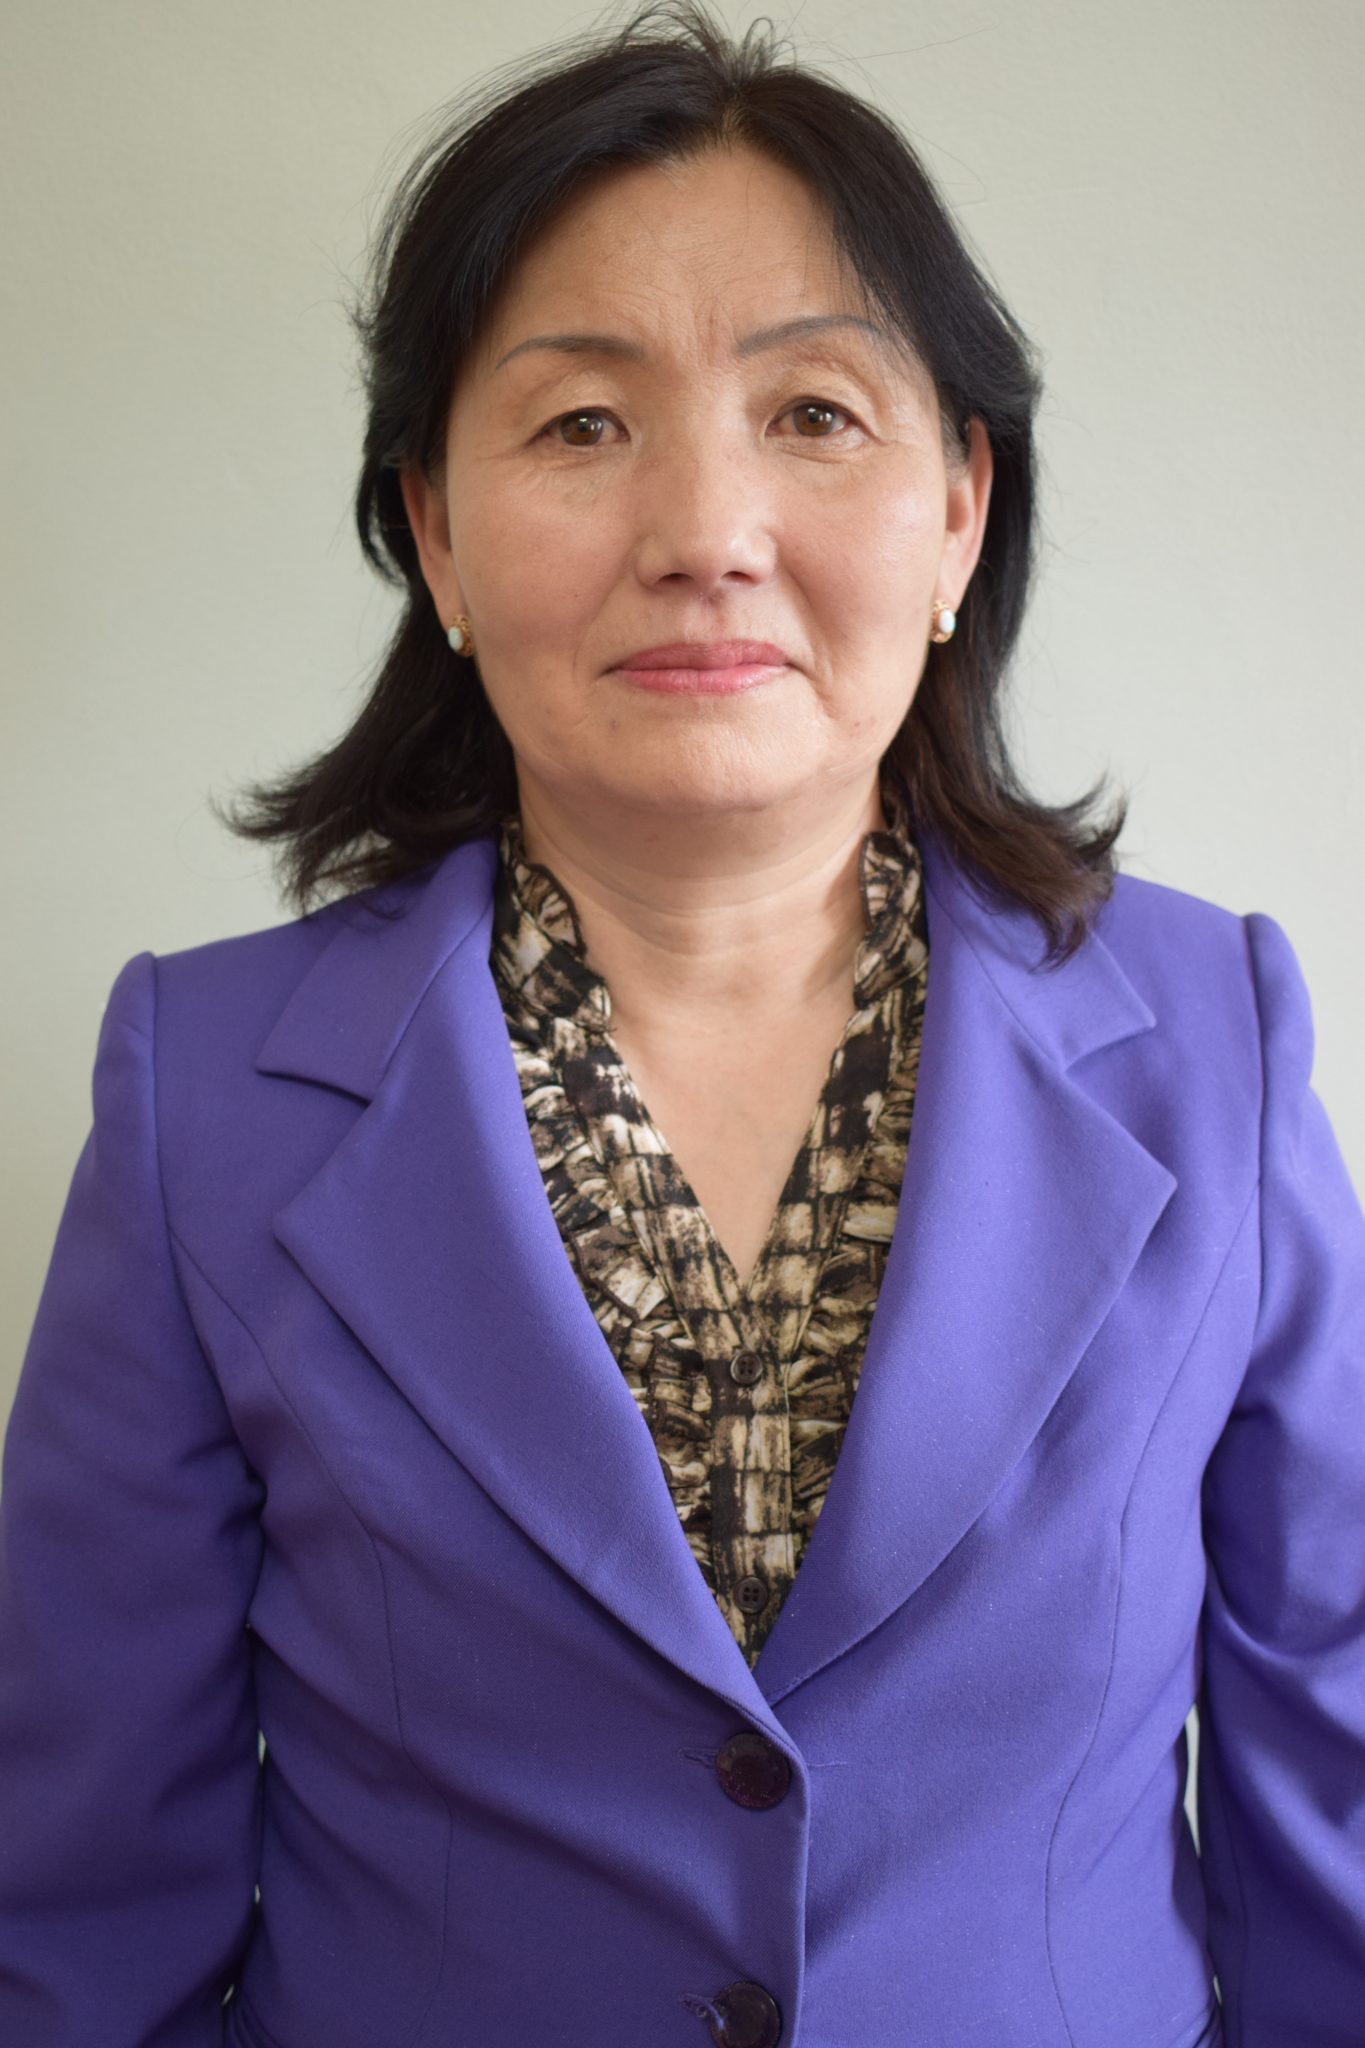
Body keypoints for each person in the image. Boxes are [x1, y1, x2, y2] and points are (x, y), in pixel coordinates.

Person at [1, 4, 1362, 2042]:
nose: (705, 533)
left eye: (812, 411)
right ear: (436, 534)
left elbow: (1334, 1805)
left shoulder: (1211, 1040)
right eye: (579, 424)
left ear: (958, 509)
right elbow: (83, 1909)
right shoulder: (206, 1091)